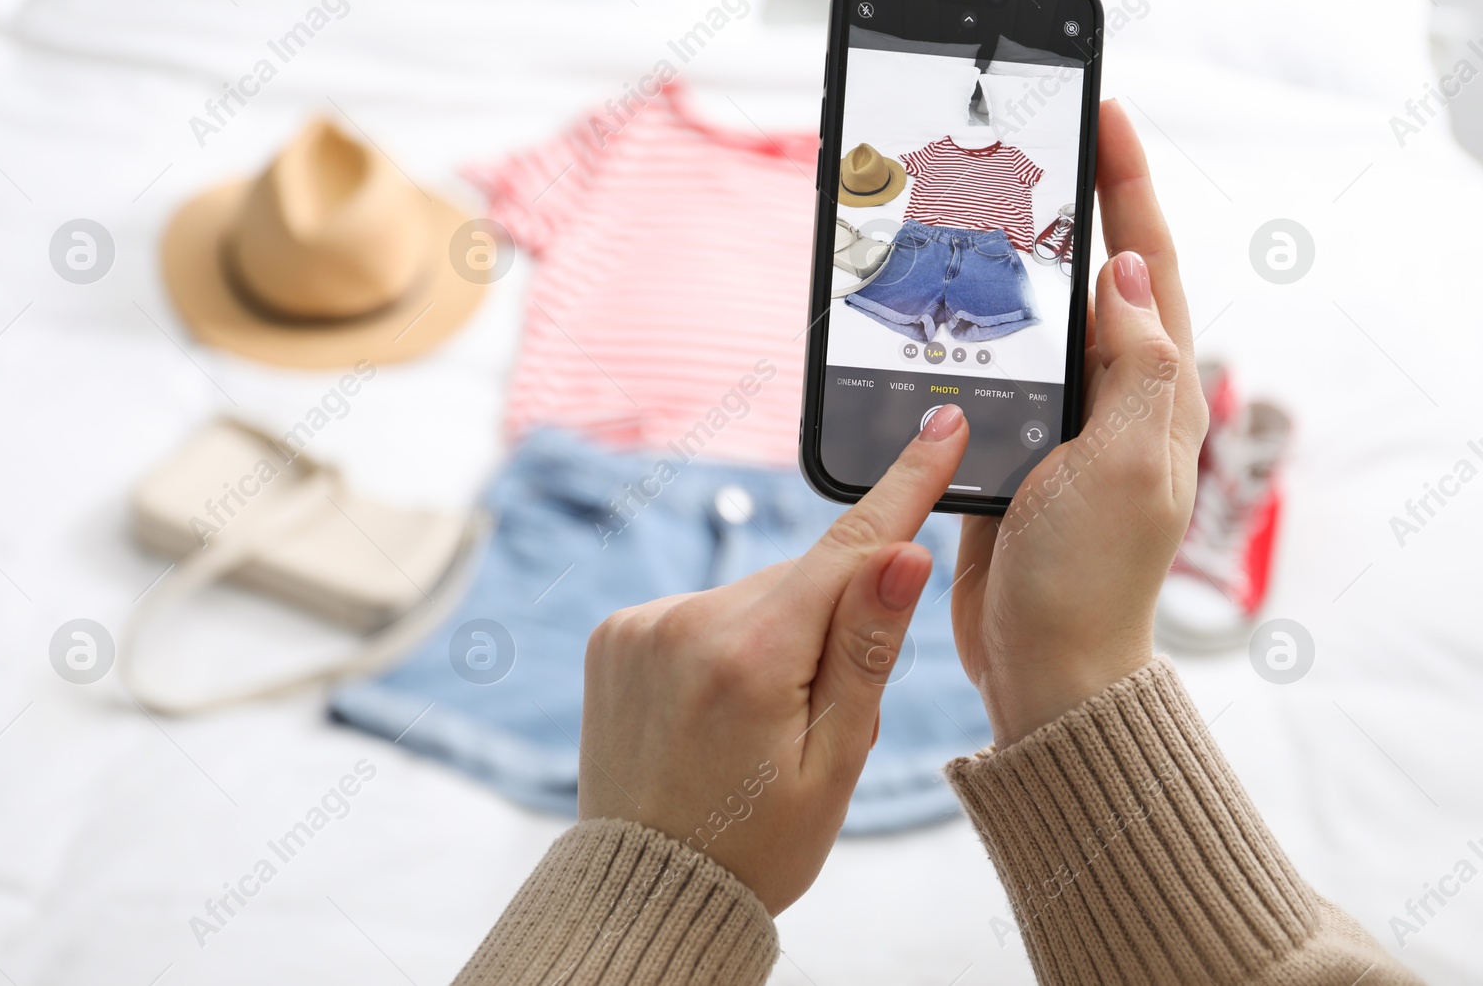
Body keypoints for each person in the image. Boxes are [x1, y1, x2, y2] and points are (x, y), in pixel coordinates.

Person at [453, 101, 1418, 985]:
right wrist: (1070, 670)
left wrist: (634, 891)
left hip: (824, 464)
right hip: (622, 485)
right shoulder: (629, 133)